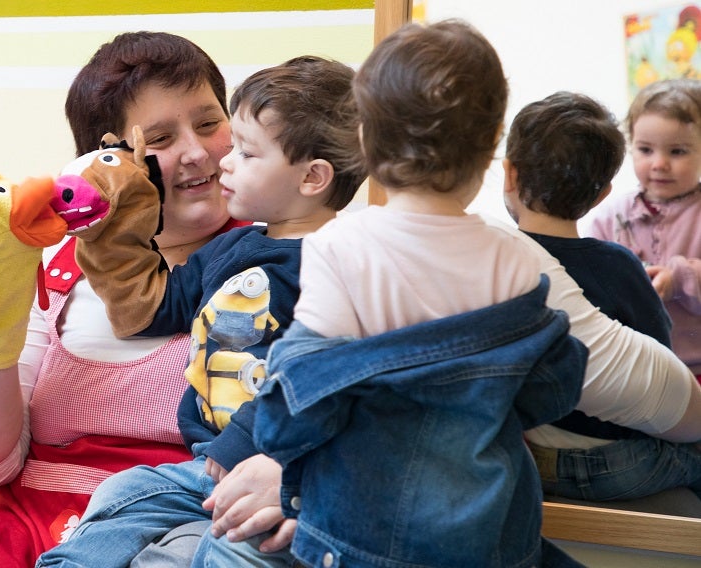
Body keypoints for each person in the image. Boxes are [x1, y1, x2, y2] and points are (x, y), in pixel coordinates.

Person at [0, 31, 242, 568]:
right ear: (108, 157)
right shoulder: (54, 270)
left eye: (208, 123)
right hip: (32, 528)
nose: (198, 152)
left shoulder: (274, 262)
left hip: (173, 526)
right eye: (160, 137)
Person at [251, 20, 589, 567]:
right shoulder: (514, 259)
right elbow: (553, 388)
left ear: (364, 139)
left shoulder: (340, 247)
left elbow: (295, 405)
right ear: (490, 150)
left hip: (357, 534)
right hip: (487, 534)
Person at [36, 55, 365, 568]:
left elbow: (323, 372)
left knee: (239, 544)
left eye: (248, 153)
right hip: (206, 464)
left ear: (312, 177)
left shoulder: (347, 262)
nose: (223, 161)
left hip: (291, 464)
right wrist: (113, 223)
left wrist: (247, 442)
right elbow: (148, 309)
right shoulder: (231, 252)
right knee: (127, 492)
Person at [504, 90, 701, 502]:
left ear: (509, 175)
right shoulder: (617, 264)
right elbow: (656, 367)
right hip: (614, 464)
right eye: (645, 149)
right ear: (602, 195)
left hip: (529, 458)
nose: (660, 162)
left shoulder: (495, 257)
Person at [586, 78, 701, 381]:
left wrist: (680, 278)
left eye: (677, 152)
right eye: (646, 149)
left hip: (695, 369)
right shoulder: (610, 215)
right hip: (634, 373)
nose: (659, 164)